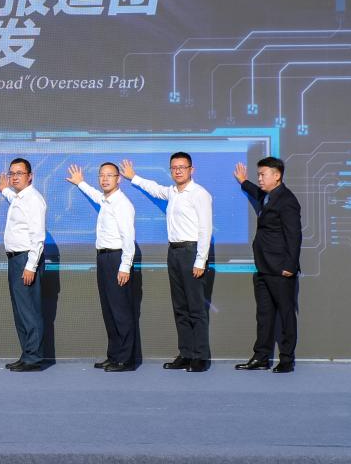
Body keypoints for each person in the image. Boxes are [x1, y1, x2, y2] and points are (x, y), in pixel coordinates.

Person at [121, 154, 213, 372]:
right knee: (180, 307)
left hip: (191, 252)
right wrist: (134, 177)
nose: (178, 171)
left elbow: (205, 229)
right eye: (174, 168)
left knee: (196, 307)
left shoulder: (200, 194)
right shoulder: (172, 192)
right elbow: (155, 189)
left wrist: (200, 260)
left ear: (191, 169)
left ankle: (200, 357)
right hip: (174, 252)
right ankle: (186, 353)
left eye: (182, 167)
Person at [233, 157, 303, 373]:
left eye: (263, 175)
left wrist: (290, 266)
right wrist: (243, 181)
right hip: (263, 267)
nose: (260, 179)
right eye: (258, 175)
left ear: (277, 175)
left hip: (281, 269)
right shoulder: (268, 196)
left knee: (286, 314)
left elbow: (294, 236)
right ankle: (261, 357)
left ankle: (287, 360)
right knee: (264, 315)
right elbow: (256, 192)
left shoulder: (287, 201)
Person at [67, 163, 137, 372]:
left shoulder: (122, 204)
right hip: (104, 258)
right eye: (102, 176)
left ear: (119, 179)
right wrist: (80, 183)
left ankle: (125, 360)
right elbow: (95, 195)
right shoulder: (106, 200)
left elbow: (128, 238)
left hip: (117, 259)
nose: (105, 179)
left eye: (110, 175)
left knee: (121, 311)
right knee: (109, 310)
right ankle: (114, 355)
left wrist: (125, 266)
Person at [0, 158, 47, 372]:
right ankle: (27, 354)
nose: (14, 177)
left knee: (29, 310)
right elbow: (14, 199)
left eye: (19, 173)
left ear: (30, 176)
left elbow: (38, 237)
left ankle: (34, 358)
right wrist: (4, 191)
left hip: (26, 260)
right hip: (15, 259)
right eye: (12, 173)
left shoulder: (34, 200)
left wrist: (31, 266)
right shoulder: (19, 197)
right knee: (21, 311)